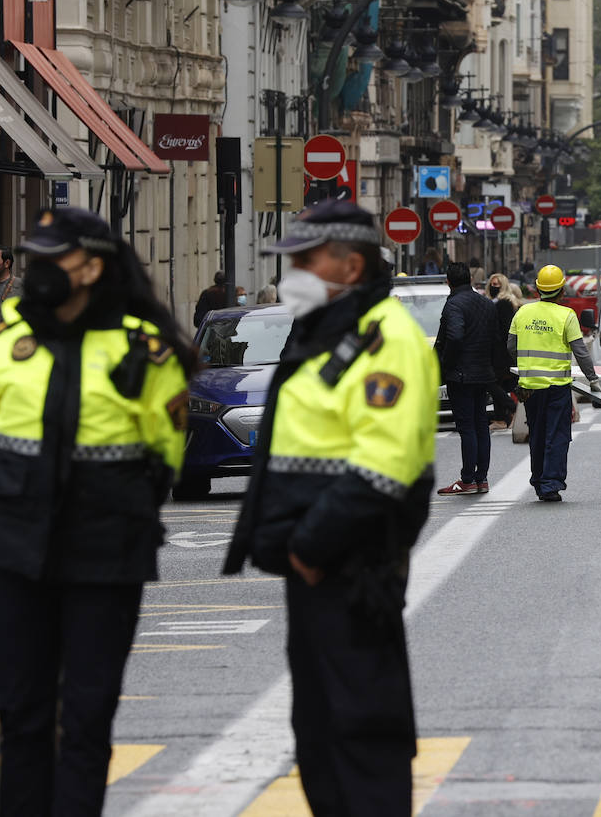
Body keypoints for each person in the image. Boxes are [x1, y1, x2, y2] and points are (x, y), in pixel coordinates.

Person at [0, 207, 193, 815]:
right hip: (16, 551)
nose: (36, 270)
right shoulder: (5, 345)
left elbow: (163, 457)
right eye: (33, 258)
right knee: (22, 717)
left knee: (87, 720)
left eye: (52, 259)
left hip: (105, 553)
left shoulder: (145, 353)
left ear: (93, 267)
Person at [224, 198, 438, 814]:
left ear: (349, 267)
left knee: (360, 730)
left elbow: (384, 464)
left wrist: (310, 546)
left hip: (349, 562)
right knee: (320, 734)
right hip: (316, 565)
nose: (292, 274)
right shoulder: (330, 332)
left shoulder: (385, 339)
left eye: (304, 261)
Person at [508, 264, 599, 502]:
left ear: (538, 288)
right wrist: (593, 380)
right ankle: (550, 484)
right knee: (557, 435)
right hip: (557, 387)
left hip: (529, 388)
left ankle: (538, 480)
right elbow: (581, 352)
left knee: (536, 433)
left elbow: (510, 347)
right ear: (561, 291)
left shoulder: (522, 313)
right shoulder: (566, 316)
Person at [436, 262, 500, 495]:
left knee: (467, 428)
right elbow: (495, 339)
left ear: (449, 282)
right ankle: (481, 478)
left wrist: (447, 365)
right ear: (470, 280)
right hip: (483, 373)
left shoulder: (453, 305)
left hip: (461, 376)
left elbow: (454, 337)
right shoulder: (486, 304)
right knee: (481, 425)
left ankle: (467, 479)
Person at [487, 273, 522, 428]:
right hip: (499, 352)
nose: (494, 287)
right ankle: (502, 418)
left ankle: (511, 410)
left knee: (494, 384)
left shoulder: (504, 304)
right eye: (492, 284)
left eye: (497, 285)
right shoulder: (495, 302)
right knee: (500, 384)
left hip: (502, 353)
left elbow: (505, 331)